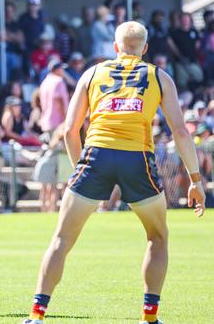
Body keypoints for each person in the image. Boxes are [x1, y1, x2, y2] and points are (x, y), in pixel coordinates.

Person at [22, 21, 206, 324]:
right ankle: (149, 318)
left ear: (115, 47)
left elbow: (69, 131)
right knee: (157, 238)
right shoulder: (159, 76)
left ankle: (36, 315)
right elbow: (180, 132)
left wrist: (79, 168)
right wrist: (196, 180)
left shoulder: (91, 73)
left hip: (97, 155)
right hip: (138, 159)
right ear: (145, 49)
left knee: (61, 239)